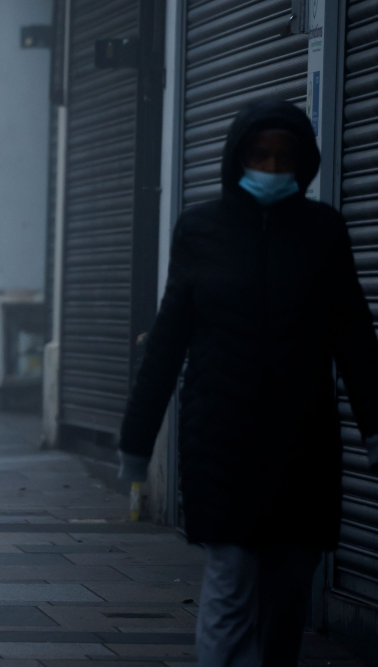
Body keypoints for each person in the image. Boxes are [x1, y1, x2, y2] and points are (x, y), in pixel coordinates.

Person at [117, 99, 378, 665]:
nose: (271, 165)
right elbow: (167, 340)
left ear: (303, 164)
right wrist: (136, 444)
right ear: (238, 159)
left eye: (284, 156)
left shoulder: (323, 233)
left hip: (302, 444)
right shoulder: (201, 230)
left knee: (287, 596)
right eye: (260, 154)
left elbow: (354, 334)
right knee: (231, 583)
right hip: (221, 440)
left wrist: (374, 424)